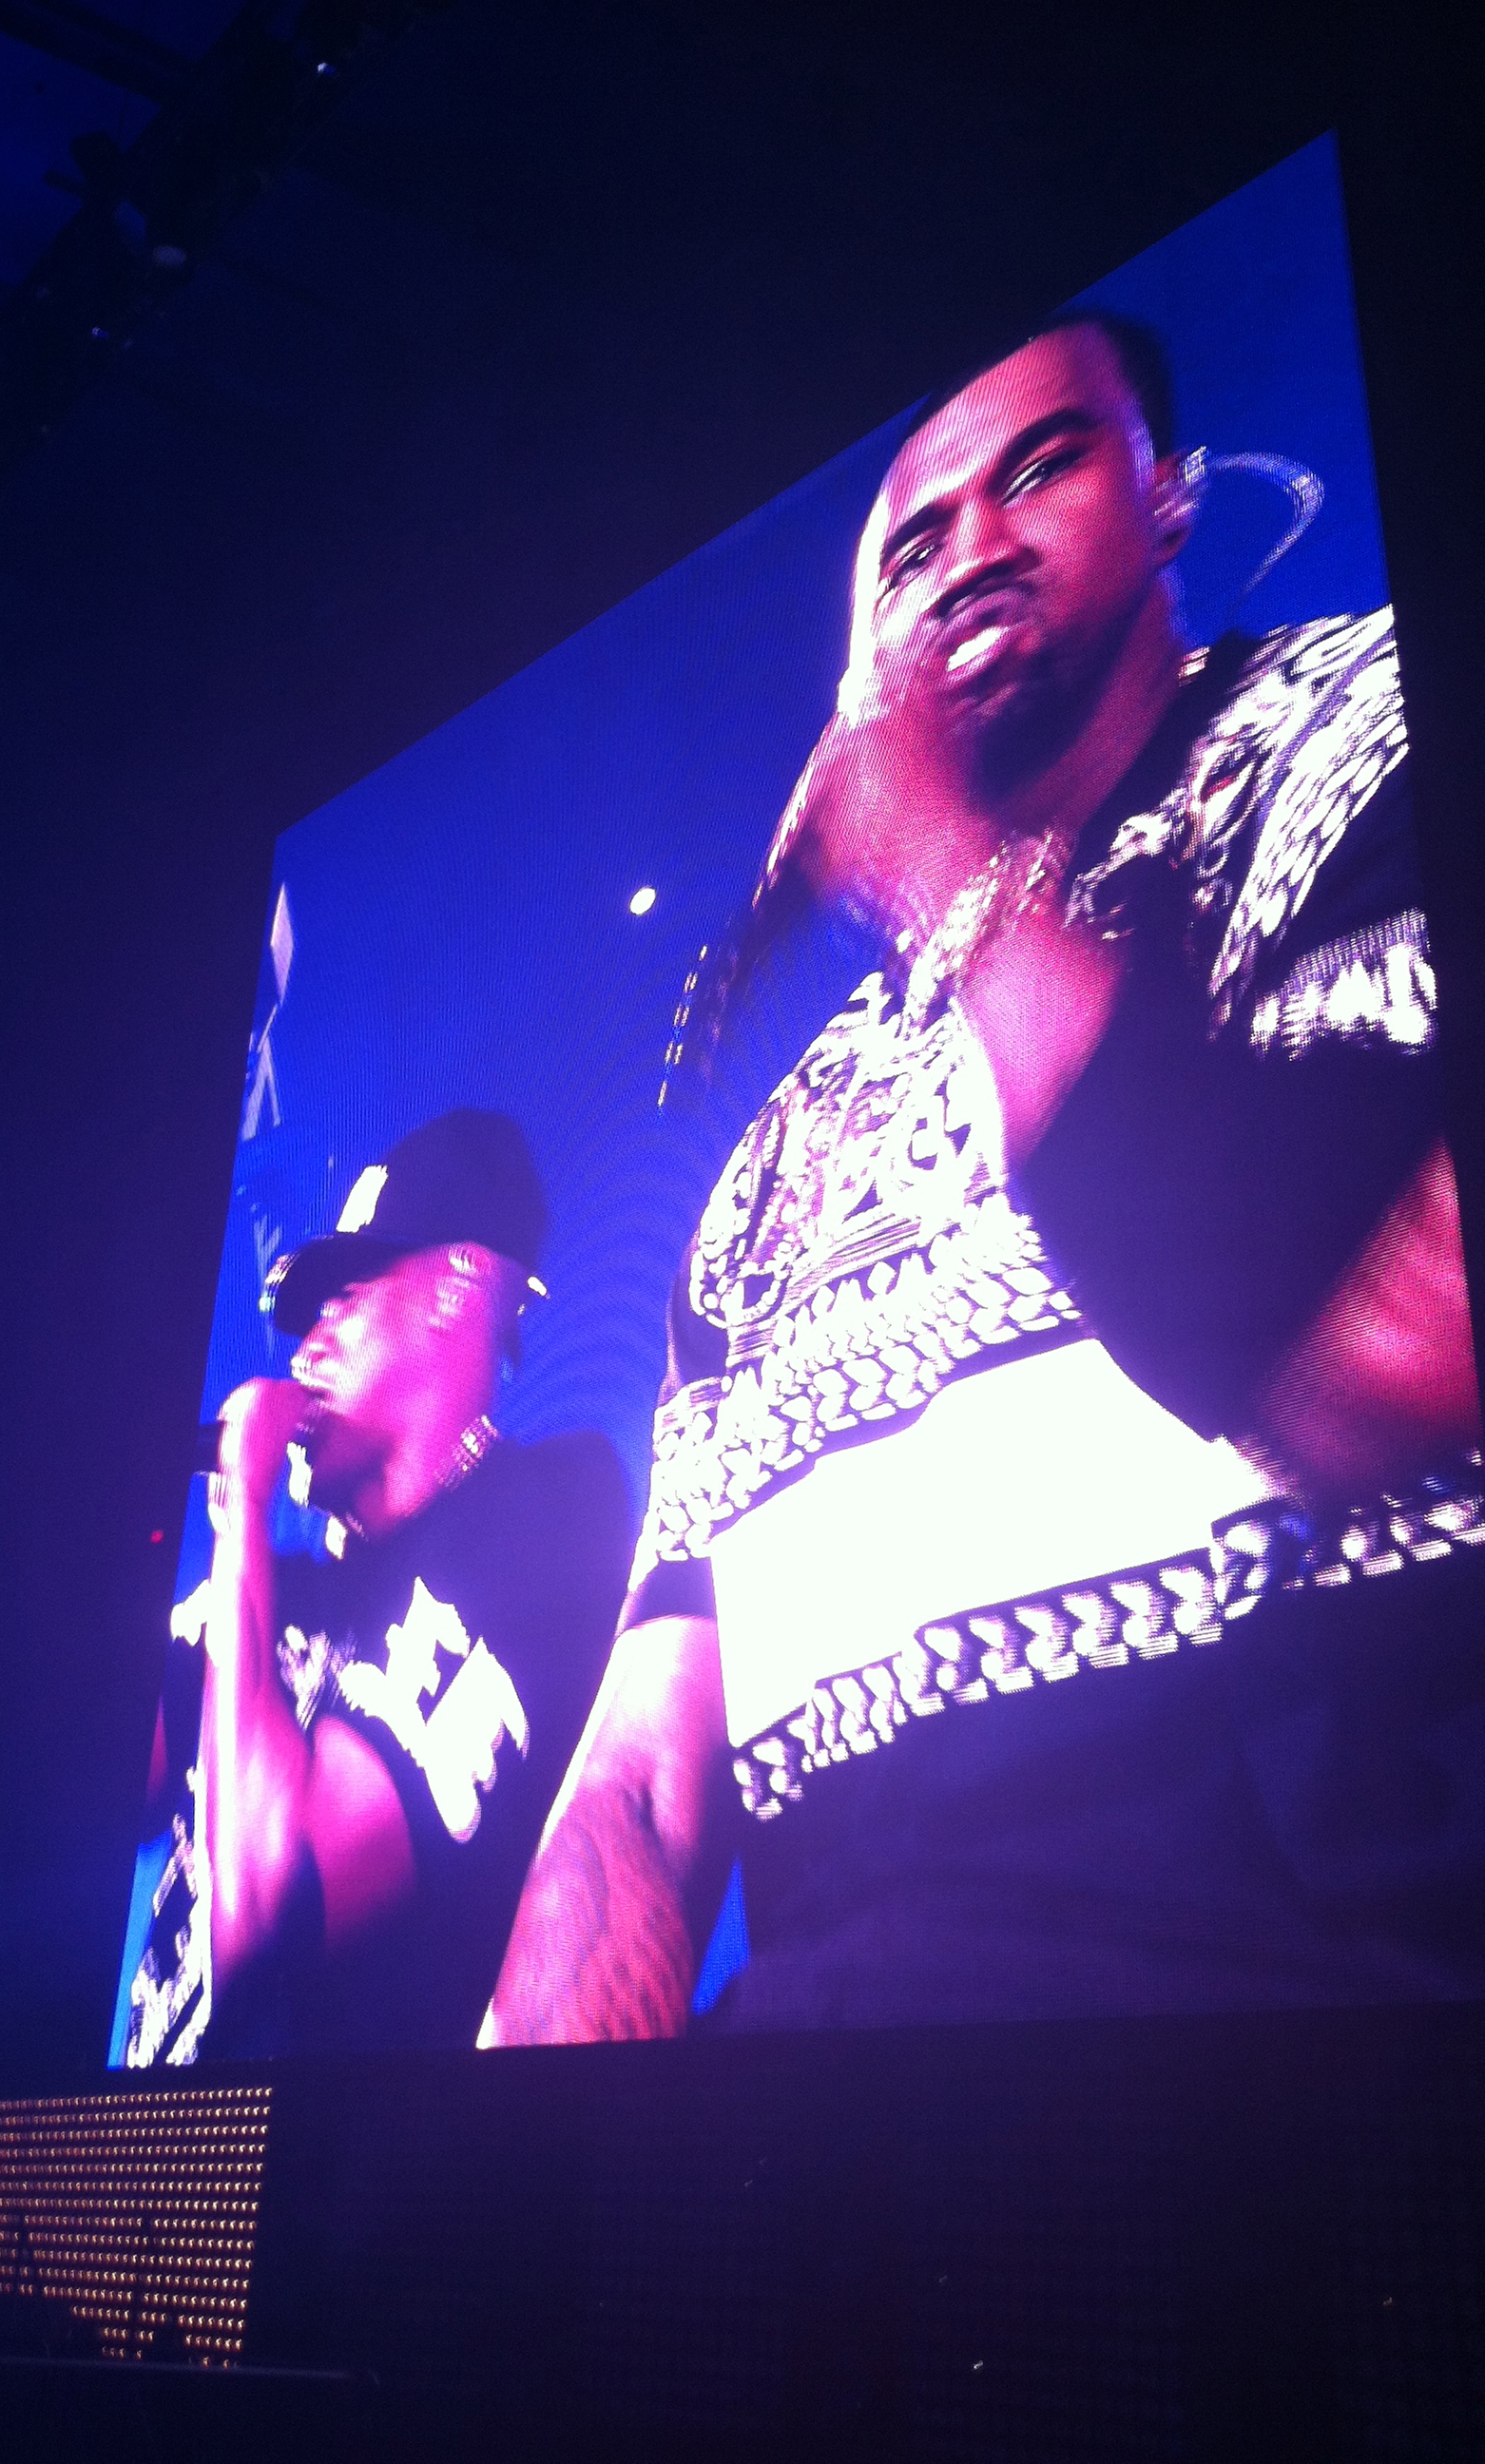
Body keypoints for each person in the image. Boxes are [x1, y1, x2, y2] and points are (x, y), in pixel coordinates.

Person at [485, 309, 1482, 2045]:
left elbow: (1387, 1353)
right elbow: (641, 1781)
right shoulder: (770, 1171)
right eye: (912, 545)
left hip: (1308, 2070)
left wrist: (943, 873)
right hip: (828, 2118)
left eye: (1041, 467)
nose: (972, 554)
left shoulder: (1363, 733)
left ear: (1170, 496)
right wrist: (534, 2158)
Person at [125, 1108, 632, 2060]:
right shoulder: (284, 1597)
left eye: (344, 1301)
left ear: (457, 1286)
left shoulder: (546, 1514)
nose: (304, 1350)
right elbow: (59, 1785)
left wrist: (242, 1514)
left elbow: (269, 1901)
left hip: (351, 2148)